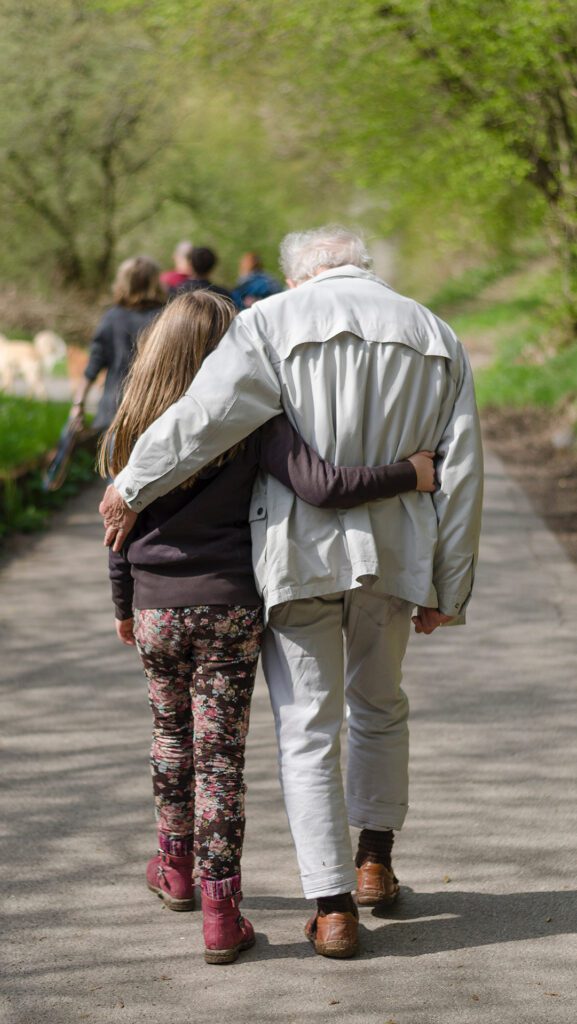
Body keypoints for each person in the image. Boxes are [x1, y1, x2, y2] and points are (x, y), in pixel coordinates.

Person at [99, 225, 483, 960]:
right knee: (381, 706)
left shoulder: (268, 322)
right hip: (397, 554)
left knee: (308, 728)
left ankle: (332, 908)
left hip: (298, 554)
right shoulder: (435, 332)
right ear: (362, 268)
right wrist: (450, 586)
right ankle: (375, 859)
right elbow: (460, 471)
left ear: (299, 276)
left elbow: (204, 419)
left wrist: (130, 485)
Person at [71, 256, 165, 432]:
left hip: (114, 411)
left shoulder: (112, 318)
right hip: (154, 412)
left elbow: (94, 365)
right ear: (155, 282)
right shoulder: (166, 318)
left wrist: (78, 403)